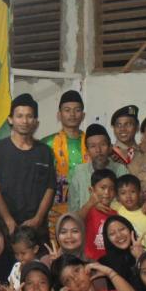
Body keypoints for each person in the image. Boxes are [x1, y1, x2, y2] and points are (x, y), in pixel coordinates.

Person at [0, 93, 56, 243]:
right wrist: (8, 220)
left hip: (37, 230)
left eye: (29, 116)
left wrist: (38, 219)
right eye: (19, 116)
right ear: (10, 119)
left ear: (35, 121)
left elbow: (50, 188)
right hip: (6, 229)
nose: (24, 121)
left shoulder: (45, 151)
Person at [43, 90, 89, 237]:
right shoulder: (47, 143)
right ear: (59, 115)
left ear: (83, 115)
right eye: (67, 110)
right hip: (55, 209)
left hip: (87, 205)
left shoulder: (92, 143)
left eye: (77, 110)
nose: (72, 114)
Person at [68, 124, 128, 215]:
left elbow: (129, 204)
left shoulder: (121, 170)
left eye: (102, 144)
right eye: (92, 146)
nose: (98, 150)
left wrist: (107, 204)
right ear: (87, 151)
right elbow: (72, 213)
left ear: (110, 147)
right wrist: (91, 205)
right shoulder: (79, 172)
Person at [116, 174, 146, 251]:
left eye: (132, 192)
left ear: (140, 193)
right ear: (118, 197)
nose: (128, 196)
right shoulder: (118, 210)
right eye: (123, 193)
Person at [82, 169, 119, 259]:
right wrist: (90, 203)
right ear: (91, 190)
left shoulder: (116, 214)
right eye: (103, 188)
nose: (107, 192)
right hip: (89, 262)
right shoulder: (87, 210)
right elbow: (75, 220)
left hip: (109, 263)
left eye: (111, 189)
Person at [6, 225, 43, 291]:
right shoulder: (16, 266)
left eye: (23, 253)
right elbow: (11, 286)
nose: (19, 258)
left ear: (35, 249)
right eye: (16, 254)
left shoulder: (40, 269)